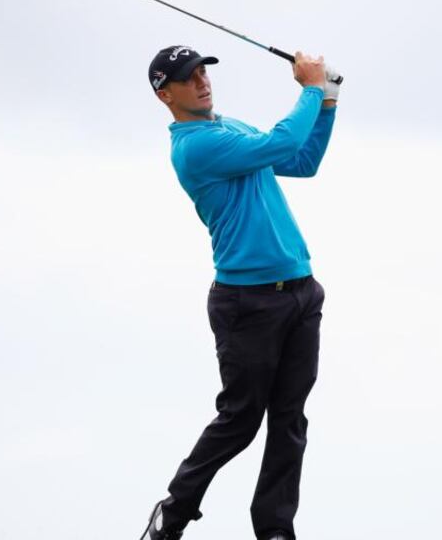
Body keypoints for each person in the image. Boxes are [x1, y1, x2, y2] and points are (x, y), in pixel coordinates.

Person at [139, 45, 340, 540]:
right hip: (246, 304)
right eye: (189, 78)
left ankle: (274, 530)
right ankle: (175, 511)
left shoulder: (233, 129)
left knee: (290, 421)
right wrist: (312, 88)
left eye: (204, 71)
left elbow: (303, 158)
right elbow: (279, 142)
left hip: (300, 292)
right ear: (166, 95)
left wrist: (327, 104)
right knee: (241, 420)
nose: (202, 81)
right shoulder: (194, 147)